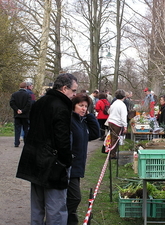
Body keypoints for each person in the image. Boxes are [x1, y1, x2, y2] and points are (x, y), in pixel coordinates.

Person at [16, 73, 78, 225]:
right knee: (56, 208)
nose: (75, 94)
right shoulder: (61, 107)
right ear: (64, 89)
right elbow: (62, 139)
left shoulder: (40, 102)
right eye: (74, 91)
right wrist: (66, 161)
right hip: (53, 163)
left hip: (35, 159)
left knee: (37, 207)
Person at [67, 93, 100, 225]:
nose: (83, 108)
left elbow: (95, 133)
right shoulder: (70, 120)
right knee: (75, 197)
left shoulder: (82, 121)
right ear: (73, 106)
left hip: (78, 165)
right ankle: (58, 219)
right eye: (80, 105)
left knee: (70, 197)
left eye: (86, 106)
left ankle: (69, 220)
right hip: (71, 165)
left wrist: (89, 115)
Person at [106, 89, 128, 159]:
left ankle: (110, 152)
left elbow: (109, 111)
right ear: (124, 96)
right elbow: (123, 116)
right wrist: (125, 126)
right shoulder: (122, 105)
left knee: (111, 138)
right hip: (117, 123)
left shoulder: (114, 103)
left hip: (111, 122)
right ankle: (113, 154)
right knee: (115, 139)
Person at [9, 82, 32, 147]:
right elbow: (29, 105)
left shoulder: (14, 94)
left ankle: (16, 142)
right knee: (26, 129)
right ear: (26, 87)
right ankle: (26, 142)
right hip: (25, 115)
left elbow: (12, 103)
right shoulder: (27, 95)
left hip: (17, 115)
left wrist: (17, 110)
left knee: (17, 129)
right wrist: (23, 110)